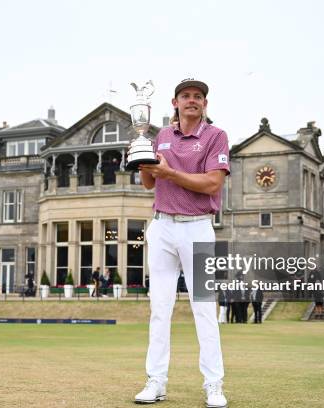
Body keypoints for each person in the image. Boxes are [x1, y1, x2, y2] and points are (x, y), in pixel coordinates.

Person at [134, 79, 228, 407]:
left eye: (198, 96)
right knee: (159, 309)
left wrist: (170, 173)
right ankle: (155, 382)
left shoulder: (216, 136)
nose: (192, 100)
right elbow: (148, 182)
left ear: (205, 103)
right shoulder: (160, 136)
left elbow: (212, 183)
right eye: (186, 96)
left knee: (204, 308)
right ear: (175, 102)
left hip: (198, 228)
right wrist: (140, 154)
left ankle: (213, 385)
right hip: (161, 227)